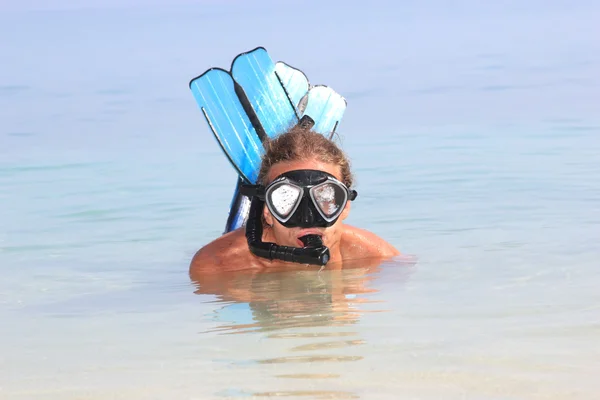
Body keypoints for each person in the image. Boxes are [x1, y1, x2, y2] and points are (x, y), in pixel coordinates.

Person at [189, 126, 400, 274]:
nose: (307, 219)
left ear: (345, 205)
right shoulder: (216, 266)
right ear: (267, 211)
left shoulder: (377, 257)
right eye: (287, 199)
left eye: (325, 198)